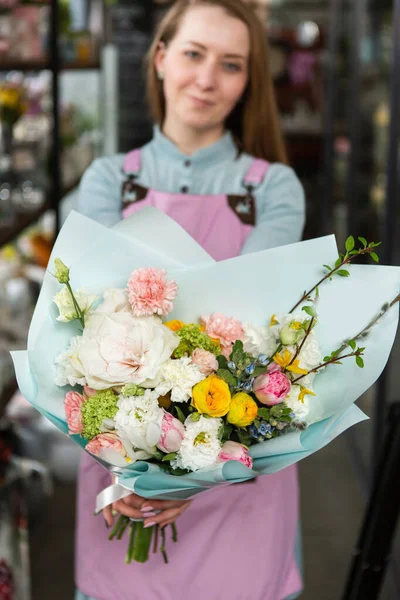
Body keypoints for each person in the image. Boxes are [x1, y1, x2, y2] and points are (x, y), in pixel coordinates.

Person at [75, 1, 305, 598]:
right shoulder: (107, 180)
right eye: (193, 54)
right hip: (119, 470)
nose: (206, 79)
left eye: (230, 65)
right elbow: (86, 331)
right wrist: (135, 471)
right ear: (160, 59)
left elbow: (259, 337)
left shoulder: (273, 189)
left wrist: (189, 477)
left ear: (248, 81)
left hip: (240, 464)